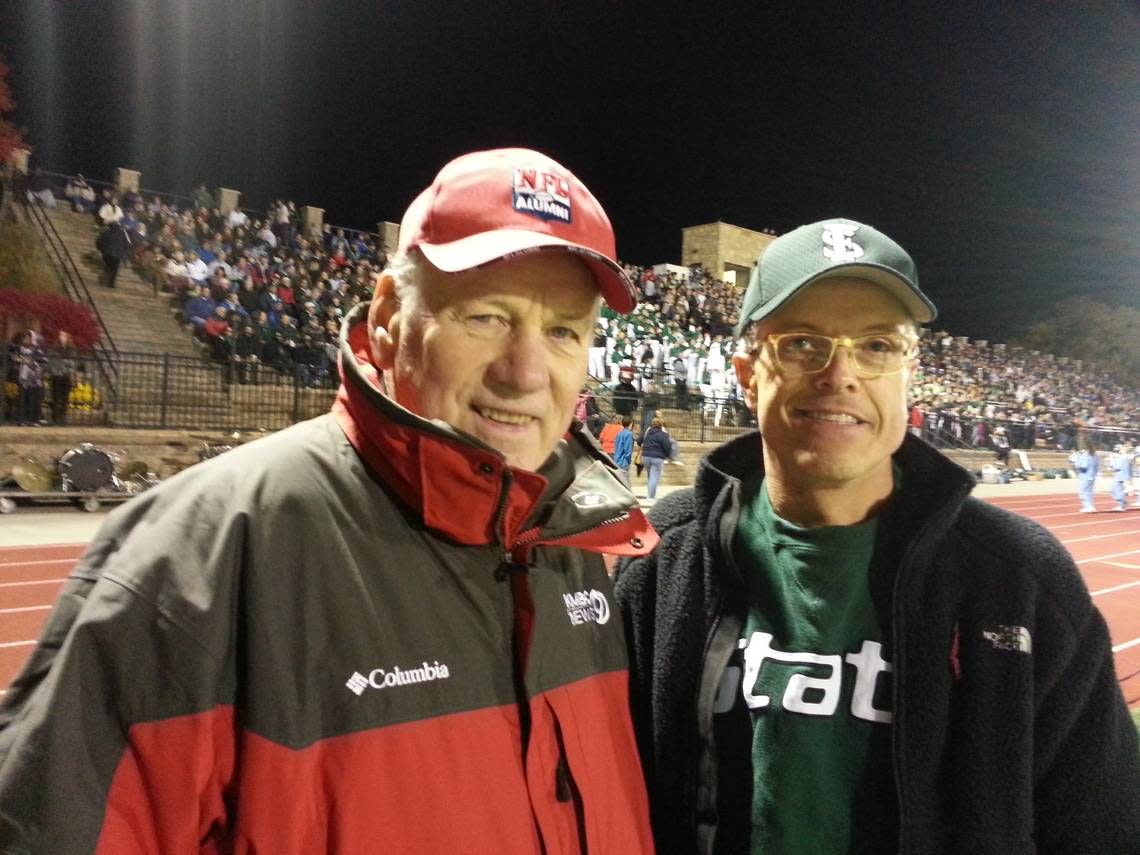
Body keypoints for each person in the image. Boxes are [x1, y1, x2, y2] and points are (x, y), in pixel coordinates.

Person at [0, 148, 657, 853]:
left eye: (563, 331)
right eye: (487, 317)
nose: (526, 371)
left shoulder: (569, 540)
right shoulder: (209, 545)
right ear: (386, 317)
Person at [614, 218, 1140, 854]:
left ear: (909, 373)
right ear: (748, 371)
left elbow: (1103, 825)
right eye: (803, 343)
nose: (841, 374)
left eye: (878, 346)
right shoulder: (662, 557)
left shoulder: (1021, 578)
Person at [640, 417, 672, 500]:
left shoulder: (647, 432)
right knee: (654, 476)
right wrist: (667, 456)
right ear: (660, 425)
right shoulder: (663, 434)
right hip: (657, 457)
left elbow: (640, 440)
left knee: (650, 476)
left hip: (646, 456)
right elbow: (667, 446)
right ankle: (650, 496)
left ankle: (652, 495)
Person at [1070, 437, 1099, 513]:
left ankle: (1088, 506)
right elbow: (1096, 466)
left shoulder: (1085, 455)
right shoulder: (1095, 455)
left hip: (1085, 476)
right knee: (1089, 492)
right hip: (1092, 476)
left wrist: (1075, 463)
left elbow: (1083, 466)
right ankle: (1090, 506)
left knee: (1083, 491)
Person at [1109, 440, 1134, 512]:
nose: (1119, 450)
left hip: (1121, 476)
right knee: (1114, 491)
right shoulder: (1123, 457)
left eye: (1120, 449)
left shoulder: (1124, 457)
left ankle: (1122, 505)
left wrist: (1112, 461)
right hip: (1119, 475)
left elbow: (1118, 466)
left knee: (1117, 491)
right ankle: (1122, 503)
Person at [614, 415, 635, 487]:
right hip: (624, 461)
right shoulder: (629, 434)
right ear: (631, 424)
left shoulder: (619, 434)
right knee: (625, 482)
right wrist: (628, 460)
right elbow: (627, 450)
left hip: (617, 459)